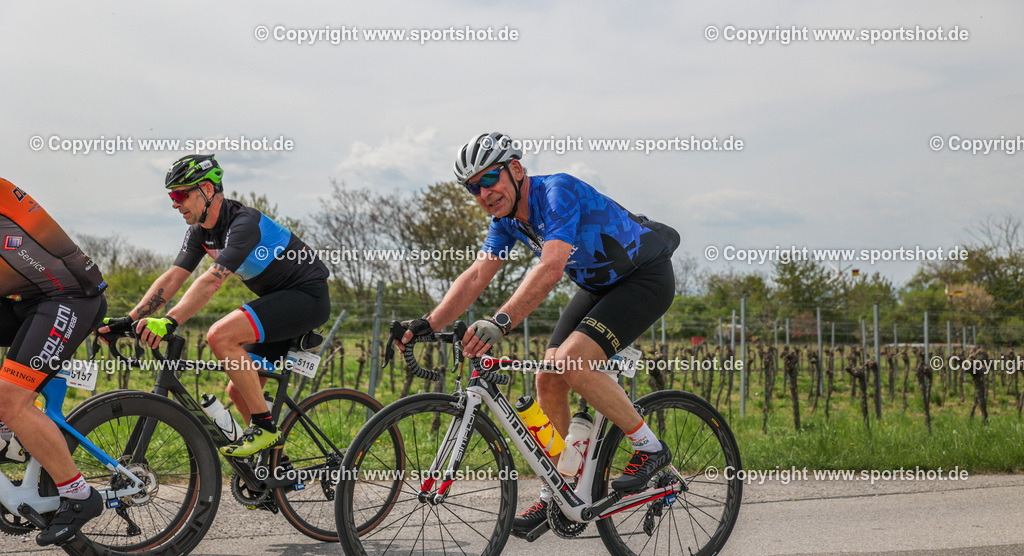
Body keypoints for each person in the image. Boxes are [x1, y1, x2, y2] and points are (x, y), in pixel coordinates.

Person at [399, 132, 680, 533]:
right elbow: (478, 273)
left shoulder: (557, 191)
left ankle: (649, 448)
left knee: (572, 362)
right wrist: (429, 323)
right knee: (548, 376)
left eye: (489, 178)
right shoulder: (507, 221)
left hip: (644, 279)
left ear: (515, 170)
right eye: (472, 187)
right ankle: (561, 493)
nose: (483, 192)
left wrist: (500, 321)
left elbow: (550, 269)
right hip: (600, 287)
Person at [99, 154, 330, 458]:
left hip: (306, 297)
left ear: (207, 189)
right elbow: (173, 277)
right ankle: (275, 465)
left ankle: (265, 428)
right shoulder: (201, 233)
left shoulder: (244, 223)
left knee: (220, 336)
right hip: (278, 302)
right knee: (240, 392)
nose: (174, 203)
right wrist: (129, 320)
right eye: (171, 195)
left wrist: (170, 320)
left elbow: (211, 282)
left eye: (181, 194)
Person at [0, 178, 108, 546]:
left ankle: (78, 495)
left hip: (68, 296)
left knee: (12, 400)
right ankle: (5, 432)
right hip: (27, 298)